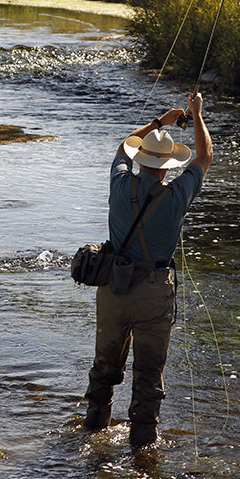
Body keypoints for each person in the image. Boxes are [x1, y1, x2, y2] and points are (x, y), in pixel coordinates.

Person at [84, 92, 213, 449]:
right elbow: (204, 157)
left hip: (113, 287)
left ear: (141, 160)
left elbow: (123, 147)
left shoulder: (119, 182)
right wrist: (197, 115)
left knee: (103, 370)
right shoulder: (176, 195)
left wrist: (160, 121)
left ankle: (92, 434)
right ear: (169, 166)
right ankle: (143, 451)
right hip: (155, 292)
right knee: (148, 377)